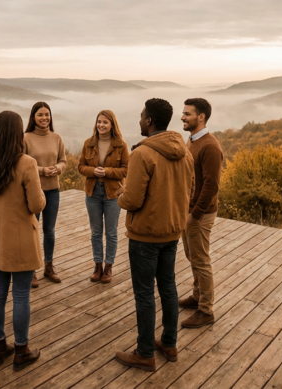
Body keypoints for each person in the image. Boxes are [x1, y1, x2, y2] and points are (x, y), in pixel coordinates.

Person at [114, 98, 194, 371]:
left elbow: (133, 200)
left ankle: (145, 352)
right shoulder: (185, 152)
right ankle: (169, 343)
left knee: (145, 293)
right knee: (168, 287)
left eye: (141, 116)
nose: (139, 119)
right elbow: (189, 191)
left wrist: (121, 196)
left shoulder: (142, 154)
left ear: (149, 121)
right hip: (172, 232)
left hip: (145, 235)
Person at [0, 111, 46, 371]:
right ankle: (21, 350)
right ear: (18, 133)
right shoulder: (26, 163)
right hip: (21, 239)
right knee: (20, 295)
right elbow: (36, 203)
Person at [179, 98, 223, 328]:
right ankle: (197, 296)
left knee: (201, 260)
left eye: (187, 114)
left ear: (201, 117)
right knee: (193, 256)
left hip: (200, 214)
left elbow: (211, 186)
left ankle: (206, 310)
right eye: (183, 113)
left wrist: (194, 215)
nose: (182, 117)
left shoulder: (209, 146)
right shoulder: (192, 141)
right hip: (189, 210)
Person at [78, 110, 129, 283]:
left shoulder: (121, 145)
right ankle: (97, 266)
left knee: (111, 232)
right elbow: (80, 166)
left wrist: (106, 171)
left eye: (105, 122)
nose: (101, 125)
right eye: (99, 121)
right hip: (92, 192)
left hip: (112, 193)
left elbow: (126, 170)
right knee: (96, 232)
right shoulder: (89, 143)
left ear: (112, 124)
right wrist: (92, 171)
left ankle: (108, 267)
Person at [23, 102, 67, 288]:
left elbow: (63, 160)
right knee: (32, 229)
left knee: (49, 231)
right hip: (33, 191)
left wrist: (57, 168)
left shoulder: (56, 137)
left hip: (53, 191)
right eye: (40, 115)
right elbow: (21, 164)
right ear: (33, 117)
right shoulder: (25, 138)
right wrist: (41, 170)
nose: (44, 118)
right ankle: (31, 270)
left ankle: (48, 266)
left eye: (47, 115)